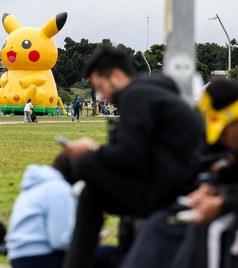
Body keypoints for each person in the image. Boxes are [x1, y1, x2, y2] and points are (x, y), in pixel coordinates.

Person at [121, 79, 238, 268]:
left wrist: (222, 202)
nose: (222, 142)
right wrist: (214, 190)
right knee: (161, 221)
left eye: (223, 134)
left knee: (210, 228)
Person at [61, 45, 204, 268]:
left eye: (101, 87)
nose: (103, 96)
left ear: (116, 76)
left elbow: (129, 155)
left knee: (84, 163)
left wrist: (92, 148)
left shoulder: (135, 95)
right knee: (91, 196)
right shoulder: (149, 92)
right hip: (171, 179)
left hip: (169, 190)